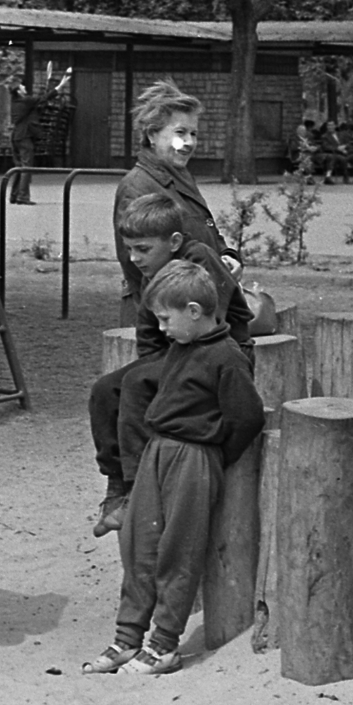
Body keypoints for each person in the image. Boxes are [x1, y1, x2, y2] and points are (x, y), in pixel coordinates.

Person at [82, 261, 265, 677]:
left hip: (193, 458)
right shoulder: (182, 347)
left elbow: (247, 417)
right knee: (137, 545)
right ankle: (128, 638)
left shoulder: (227, 358)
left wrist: (213, 455)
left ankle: (163, 645)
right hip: (157, 452)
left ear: (195, 311)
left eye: (166, 318)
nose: (161, 328)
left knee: (176, 552)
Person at [89, 193, 255, 538]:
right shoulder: (153, 271)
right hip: (177, 352)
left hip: (216, 352)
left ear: (174, 242)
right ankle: (116, 484)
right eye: (130, 249)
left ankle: (137, 491)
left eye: (143, 249)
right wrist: (153, 372)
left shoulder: (200, 262)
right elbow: (149, 337)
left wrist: (157, 376)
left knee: (135, 385)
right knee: (106, 390)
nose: (134, 258)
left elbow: (210, 325)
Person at [112, 80, 242, 325]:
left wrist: (227, 256)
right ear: (152, 135)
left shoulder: (180, 176)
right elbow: (138, 264)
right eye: (180, 133)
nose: (189, 142)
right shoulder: (137, 186)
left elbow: (206, 230)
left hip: (192, 314)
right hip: (162, 318)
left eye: (194, 134)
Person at [8, 68, 72, 205]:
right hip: (25, 137)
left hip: (16, 136)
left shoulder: (17, 103)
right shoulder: (25, 102)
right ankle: (23, 196)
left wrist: (48, 91)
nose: (24, 87)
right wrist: (61, 85)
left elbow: (39, 102)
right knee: (26, 167)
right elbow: (44, 98)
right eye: (22, 86)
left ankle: (14, 195)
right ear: (19, 91)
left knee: (19, 167)